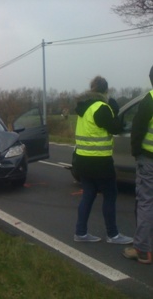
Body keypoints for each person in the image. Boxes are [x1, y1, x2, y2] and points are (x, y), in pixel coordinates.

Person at [73, 76, 133, 244]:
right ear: (105, 90)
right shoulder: (101, 107)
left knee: (88, 195)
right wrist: (114, 110)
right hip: (99, 161)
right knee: (110, 195)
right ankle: (113, 235)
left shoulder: (84, 109)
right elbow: (115, 128)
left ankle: (80, 232)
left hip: (82, 160)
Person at [123, 66, 153, 264]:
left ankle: (142, 250)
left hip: (149, 159)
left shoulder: (149, 100)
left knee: (146, 202)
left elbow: (137, 130)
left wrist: (135, 153)